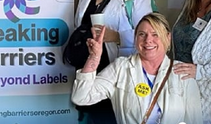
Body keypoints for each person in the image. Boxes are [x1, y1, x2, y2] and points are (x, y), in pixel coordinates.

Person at [72, 0, 156, 123]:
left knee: (114, 117)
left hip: (117, 71)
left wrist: (117, 36)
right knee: (89, 115)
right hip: (89, 68)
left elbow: (151, 36)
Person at [72, 12, 203, 124]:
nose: (148, 40)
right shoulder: (121, 68)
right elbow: (81, 97)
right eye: (142, 34)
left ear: (168, 38)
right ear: (135, 38)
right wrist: (94, 58)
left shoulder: (182, 72)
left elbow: (194, 120)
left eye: (155, 34)